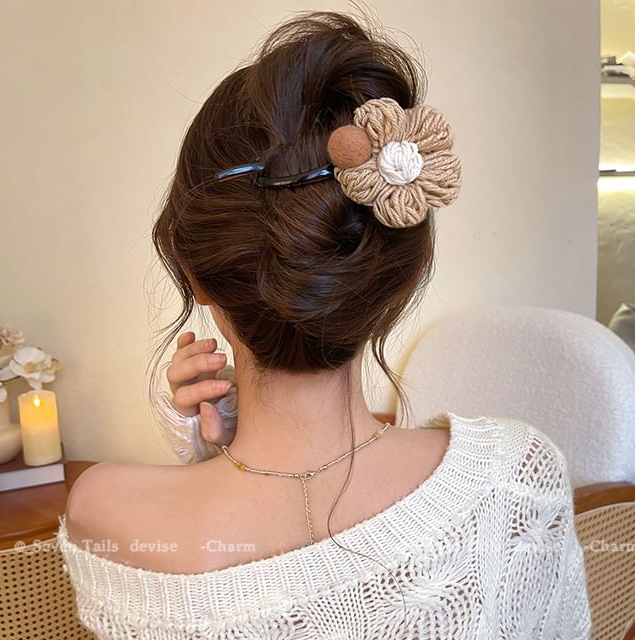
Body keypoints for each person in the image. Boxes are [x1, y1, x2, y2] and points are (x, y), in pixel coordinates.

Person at [58, 9, 592, 639]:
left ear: (194, 276)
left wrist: (212, 457)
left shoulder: (103, 512)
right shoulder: (517, 480)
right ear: (406, 273)